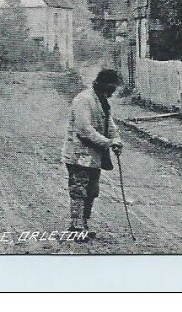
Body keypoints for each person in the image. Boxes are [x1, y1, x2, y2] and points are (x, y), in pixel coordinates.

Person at [61, 69, 124, 238]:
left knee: (92, 190)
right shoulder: (84, 99)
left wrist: (116, 139)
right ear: (103, 85)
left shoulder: (101, 101)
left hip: (94, 156)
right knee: (78, 190)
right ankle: (76, 227)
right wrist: (107, 142)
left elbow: (109, 124)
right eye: (111, 88)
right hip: (78, 154)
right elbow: (84, 129)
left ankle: (84, 224)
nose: (112, 92)